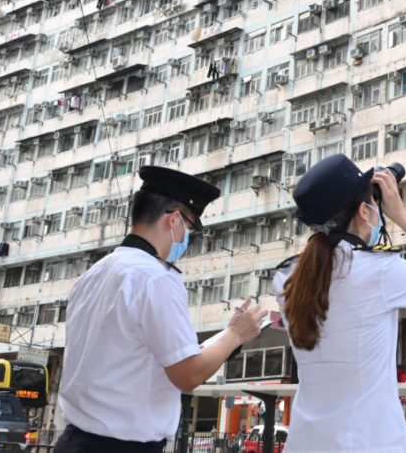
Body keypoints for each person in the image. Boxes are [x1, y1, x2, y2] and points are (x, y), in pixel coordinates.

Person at [54, 166, 268, 453]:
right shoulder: (156, 278)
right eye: (190, 228)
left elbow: (163, 356)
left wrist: (228, 335)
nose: (187, 237)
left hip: (74, 441)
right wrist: (236, 335)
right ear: (174, 220)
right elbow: (188, 375)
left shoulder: (94, 274)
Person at [273, 155, 406, 452]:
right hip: (369, 442)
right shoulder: (379, 272)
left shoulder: (287, 277)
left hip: (306, 442)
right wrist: (401, 215)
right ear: (364, 211)